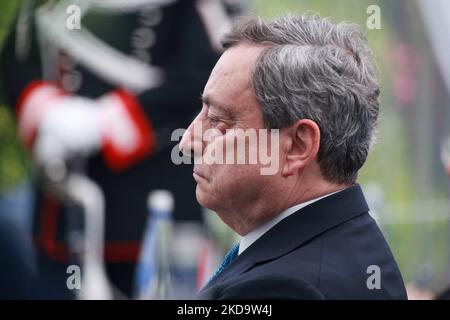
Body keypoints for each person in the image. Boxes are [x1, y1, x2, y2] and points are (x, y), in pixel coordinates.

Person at [0, 0, 236, 298]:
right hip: (61, 209)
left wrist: (108, 122)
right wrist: (46, 111)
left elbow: (210, 72)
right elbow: (20, 54)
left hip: (151, 203)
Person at [179, 14, 408, 299]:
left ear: (297, 146)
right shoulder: (344, 242)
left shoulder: (278, 290)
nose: (188, 141)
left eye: (217, 120)